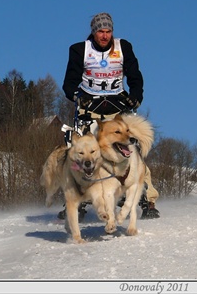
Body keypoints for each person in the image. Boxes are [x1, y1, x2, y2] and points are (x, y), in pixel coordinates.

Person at [60, 12, 160, 219]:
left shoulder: (123, 48)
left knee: (131, 150)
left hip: (117, 105)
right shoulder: (80, 50)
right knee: (80, 150)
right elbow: (69, 83)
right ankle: (74, 200)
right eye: (100, 32)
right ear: (93, 32)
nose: (104, 36)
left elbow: (135, 77)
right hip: (90, 107)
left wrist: (136, 97)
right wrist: (78, 97)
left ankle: (147, 198)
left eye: (108, 31)